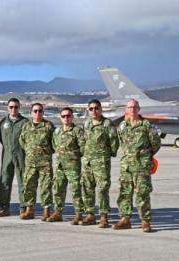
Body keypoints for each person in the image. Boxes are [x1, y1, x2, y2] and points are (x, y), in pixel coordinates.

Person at [114, 99, 161, 232]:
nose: (132, 109)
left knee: (142, 193)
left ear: (139, 109)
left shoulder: (146, 125)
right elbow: (122, 142)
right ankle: (125, 219)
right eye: (129, 107)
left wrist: (145, 156)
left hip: (141, 166)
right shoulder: (123, 126)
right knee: (124, 193)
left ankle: (145, 221)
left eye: (134, 107)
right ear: (126, 109)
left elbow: (155, 143)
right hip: (126, 166)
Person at [80, 99, 119, 227]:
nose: (94, 111)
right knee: (87, 188)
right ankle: (90, 214)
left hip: (101, 162)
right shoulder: (87, 124)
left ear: (101, 109)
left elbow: (114, 141)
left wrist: (107, 155)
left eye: (96, 108)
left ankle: (103, 216)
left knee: (102, 189)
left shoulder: (107, 124)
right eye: (91, 109)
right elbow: (84, 141)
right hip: (88, 162)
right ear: (88, 110)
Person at [18, 103, 54, 220]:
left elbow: (54, 144)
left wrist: (44, 152)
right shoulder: (26, 126)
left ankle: (46, 211)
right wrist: (31, 152)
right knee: (29, 186)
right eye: (35, 111)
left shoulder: (48, 126)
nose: (37, 113)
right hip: (30, 163)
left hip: (45, 163)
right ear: (31, 113)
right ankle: (29, 210)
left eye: (40, 111)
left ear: (43, 112)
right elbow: (22, 142)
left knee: (45, 187)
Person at [0, 98, 28, 217]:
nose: (13, 109)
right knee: (4, 181)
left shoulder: (25, 123)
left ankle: (23, 207)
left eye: (16, 107)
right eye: (11, 107)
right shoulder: (3, 123)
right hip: (7, 155)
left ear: (19, 108)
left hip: (21, 155)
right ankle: (4, 208)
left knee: (23, 182)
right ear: (7, 108)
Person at [52, 107, 83, 224]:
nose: (66, 118)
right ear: (60, 118)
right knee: (58, 189)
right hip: (60, 165)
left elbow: (82, 148)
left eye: (68, 116)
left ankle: (79, 214)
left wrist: (72, 157)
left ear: (72, 117)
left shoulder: (77, 131)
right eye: (63, 116)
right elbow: (54, 145)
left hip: (73, 166)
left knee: (75, 190)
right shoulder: (57, 131)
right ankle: (58, 212)